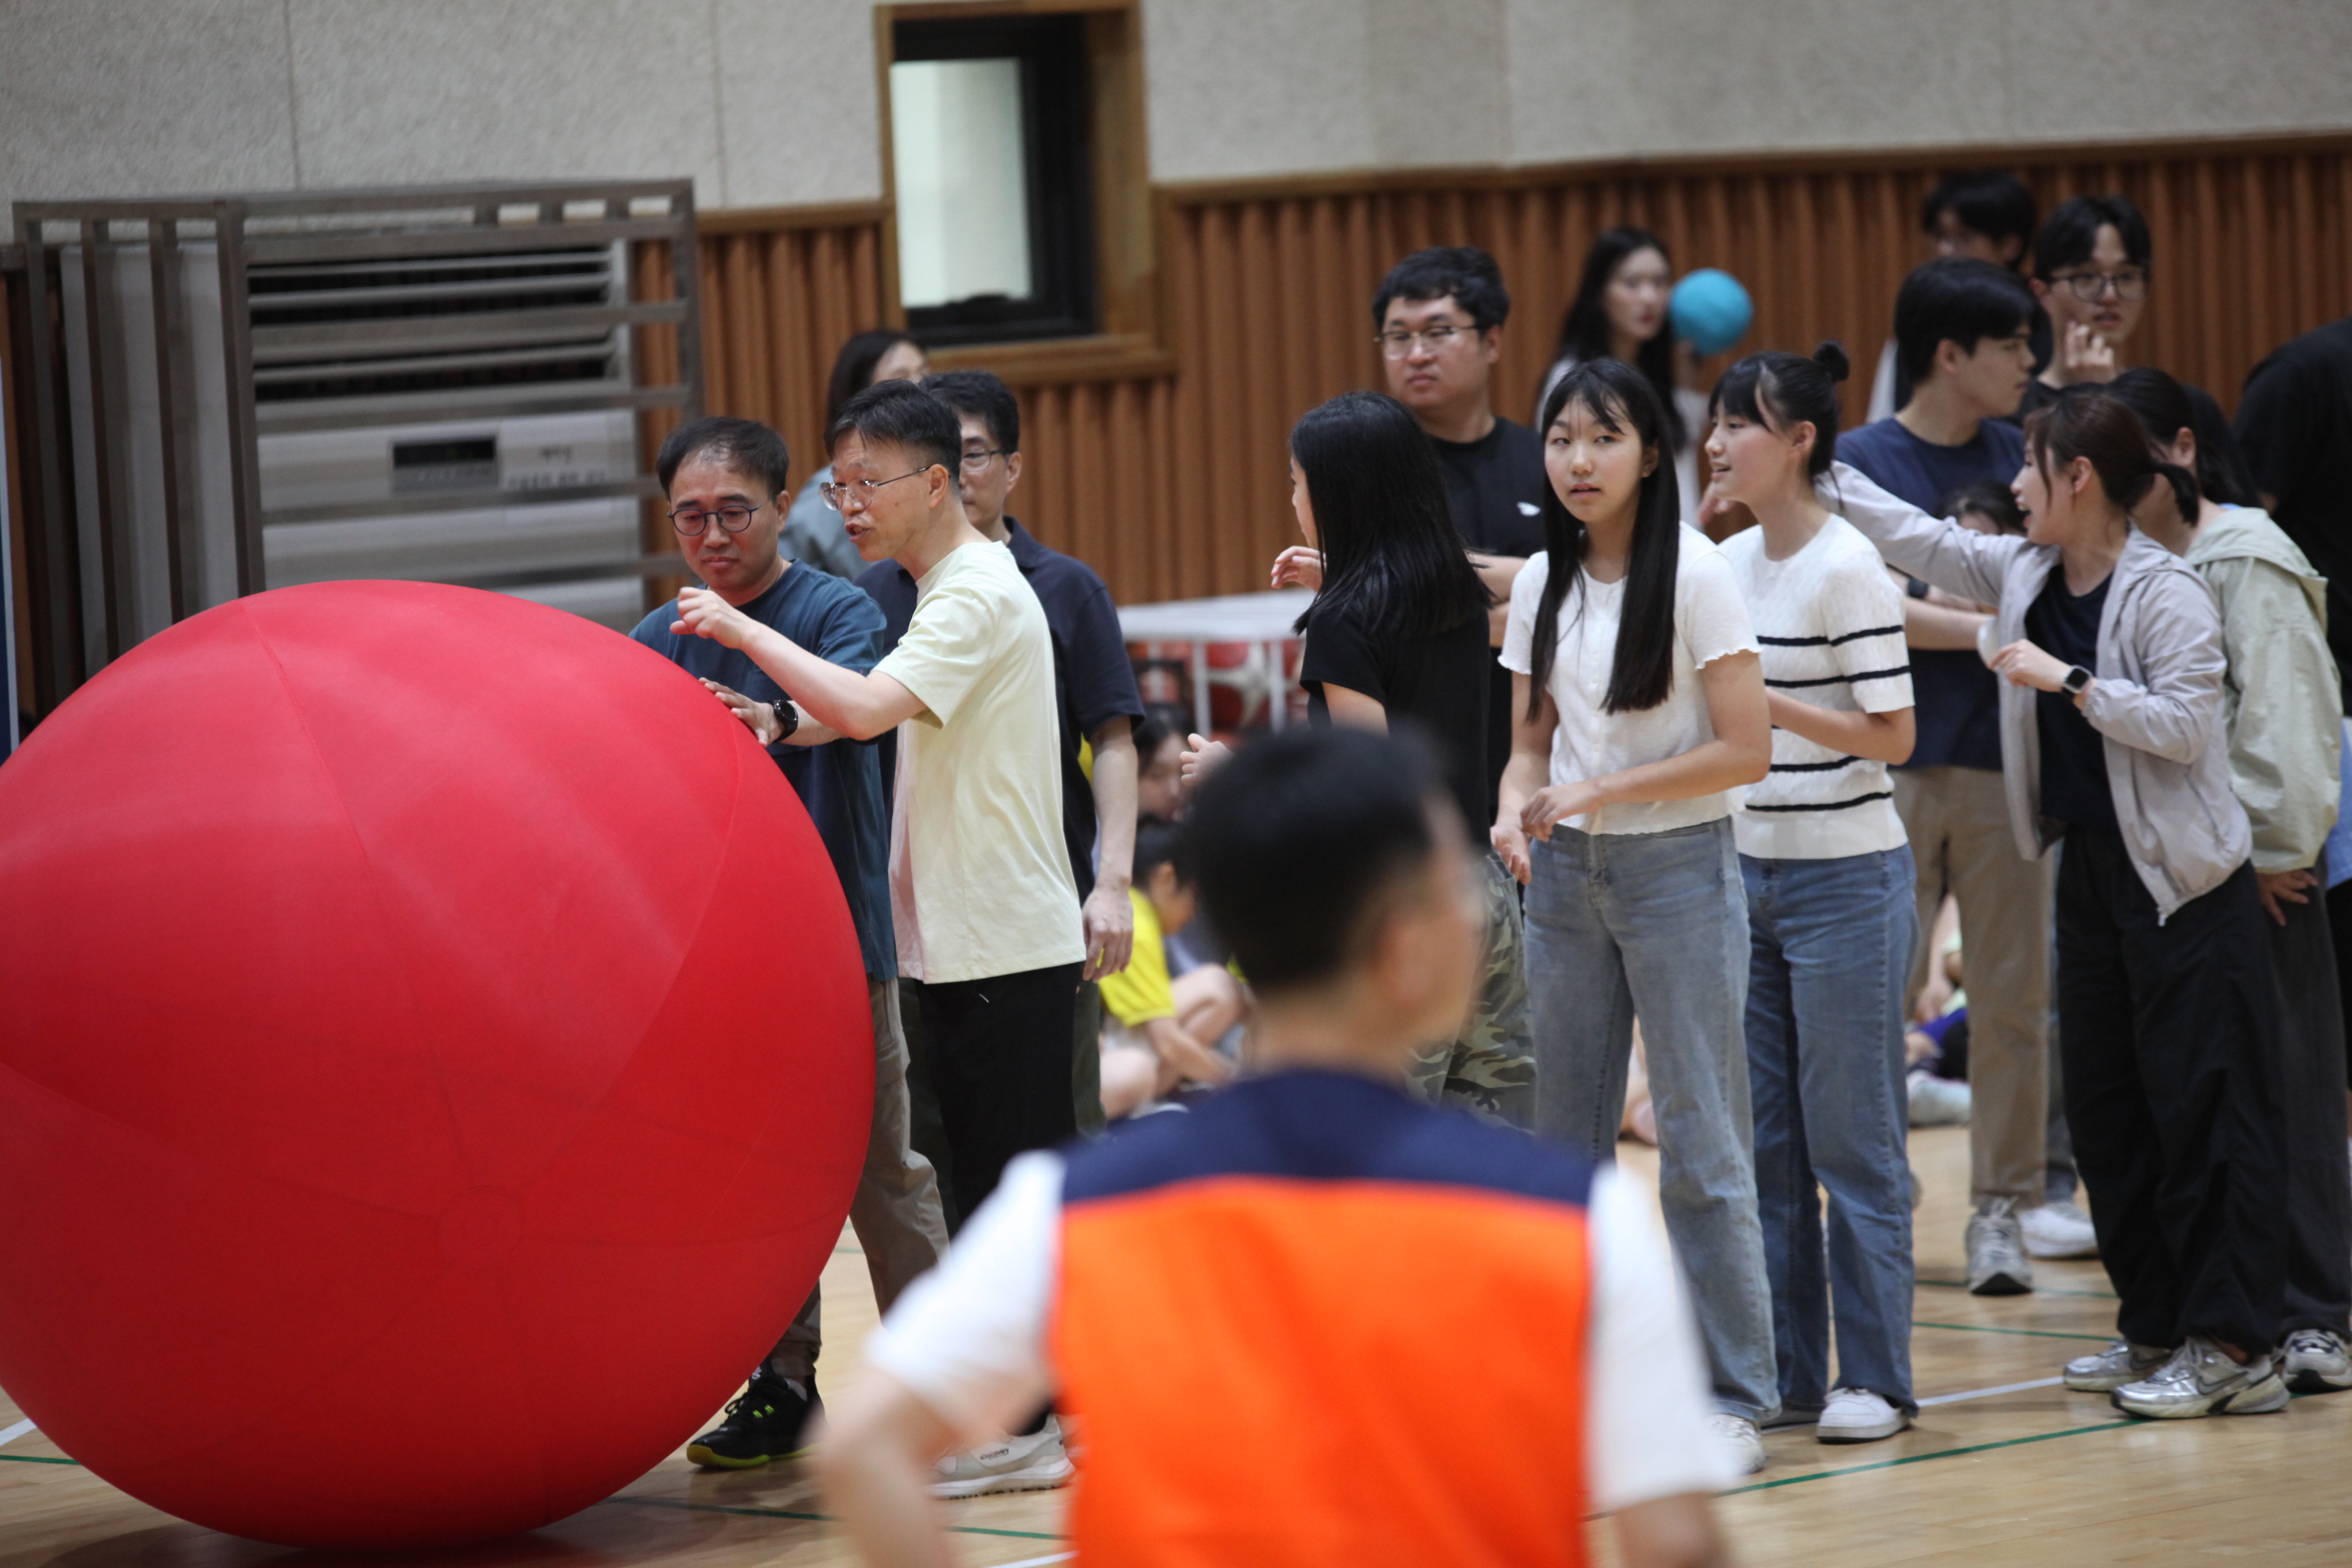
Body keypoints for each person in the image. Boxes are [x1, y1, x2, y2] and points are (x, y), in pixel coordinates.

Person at [817, 725, 1739, 1568]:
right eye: (1454, 891)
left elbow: (863, 1448)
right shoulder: (1577, 1220)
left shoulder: (1072, 1205)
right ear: (1406, 945)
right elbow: (1675, 1542)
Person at [1827, 386, 2291, 1420]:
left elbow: (2185, 726)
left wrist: (2069, 680)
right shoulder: (2028, 569)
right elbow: (1924, 540)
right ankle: (2156, 1327)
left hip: (2184, 887)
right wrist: (1821, 466)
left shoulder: (2166, 589)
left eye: (2031, 467)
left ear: (2078, 478)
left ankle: (2236, 1347)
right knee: (2111, 1117)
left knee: (2201, 1117)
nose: (2015, 482)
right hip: (2088, 871)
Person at [676, 379, 1084, 1492]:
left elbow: (862, 709)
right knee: (995, 1191)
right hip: (971, 941)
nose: (848, 504)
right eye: (838, 484)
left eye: (868, 483)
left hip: (1000, 945)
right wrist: (779, 719)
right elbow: (873, 704)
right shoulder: (948, 587)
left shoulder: (972, 593)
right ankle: (1049, 1410)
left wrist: (740, 629)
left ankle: (1023, 1431)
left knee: (1000, 1199)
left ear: (937, 482)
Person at [625, 415, 949, 1468]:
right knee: (755, 1190)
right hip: (722, 971)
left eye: (734, 512)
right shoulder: (655, 637)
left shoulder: (837, 610)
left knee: (883, 1173)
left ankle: (944, 1390)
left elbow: (852, 715)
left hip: (840, 952)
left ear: (779, 508)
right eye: (690, 517)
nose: (713, 536)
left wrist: (760, 698)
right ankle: (783, 1385)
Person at [1493, 357, 1780, 1471]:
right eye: (1562, 438)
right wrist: (1515, 809)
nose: (1579, 460)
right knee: (1562, 1144)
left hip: (1681, 869)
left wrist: (1599, 789)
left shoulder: (1699, 574)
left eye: (1604, 438)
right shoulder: (1539, 581)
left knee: (1701, 1141)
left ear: (1652, 455)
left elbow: (1745, 750)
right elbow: (1528, 748)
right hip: (1566, 880)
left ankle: (1734, 1397)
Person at [1837, 255, 2081, 1290]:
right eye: (2012, 344)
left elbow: (2057, 587)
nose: (2030, 362)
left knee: (2015, 1001)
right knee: (1870, 1002)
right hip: (1881, 769)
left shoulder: (2029, 458)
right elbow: (1868, 606)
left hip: (2002, 765)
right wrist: (1989, 626)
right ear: (1949, 354)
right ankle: (1874, 1205)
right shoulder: (1856, 461)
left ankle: (2003, 1213)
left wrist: (1977, 620)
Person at [2110, 365, 2352, 1394]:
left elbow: (2289, 720)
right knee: (2202, 1105)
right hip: (2181, 874)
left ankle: (2318, 1316)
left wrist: (2268, 853)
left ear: (2180, 451)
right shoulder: (2133, 564)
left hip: (2258, 874)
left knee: (2291, 1085)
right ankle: (2220, 1314)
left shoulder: (2247, 556)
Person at [1708, 343, 1921, 1444]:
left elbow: (1894, 735)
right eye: (1713, 423)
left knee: (1854, 1141)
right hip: (1744, 873)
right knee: (1768, 1148)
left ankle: (1876, 1378)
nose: (1714, 443)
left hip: (1848, 879)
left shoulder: (1848, 567)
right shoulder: (1725, 565)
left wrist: (1770, 708)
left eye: (1737, 424)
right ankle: (1791, 1377)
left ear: (1798, 441)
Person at [858, 370, 1146, 1173]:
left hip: (1032, 915)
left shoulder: (1063, 586)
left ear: (1011, 466)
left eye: (973, 454)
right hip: (921, 920)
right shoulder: (877, 588)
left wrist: (1112, 885)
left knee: (1056, 1137)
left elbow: (1115, 741)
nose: (957, 474)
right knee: (939, 1146)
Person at [1275, 389, 1536, 1128]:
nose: (1292, 500)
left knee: (1386, 1145)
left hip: (1404, 910)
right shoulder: (1454, 594)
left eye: (1297, 483)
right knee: (1494, 1143)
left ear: (1336, 496)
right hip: (1485, 892)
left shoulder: (1342, 620)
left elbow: (1373, 790)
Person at [1372, 245, 1547, 804]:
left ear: (1491, 341)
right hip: (1415, 765)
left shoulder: (1550, 461)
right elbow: (1384, 606)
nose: (1416, 354)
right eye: (1398, 336)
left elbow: (1590, 595)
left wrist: (1440, 593)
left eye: (1438, 332)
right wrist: (1533, 587)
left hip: (1545, 761)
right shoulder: (1368, 469)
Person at [1539, 226, 1713, 519]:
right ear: (1600, 292)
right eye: (1632, 284)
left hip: (1681, 539)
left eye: (1660, 283)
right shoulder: (1569, 379)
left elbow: (1682, 463)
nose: (1650, 297)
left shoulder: (1666, 374)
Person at [1866, 171, 2043, 421]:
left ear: (2009, 246)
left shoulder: (2045, 322)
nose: (1945, 251)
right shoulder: (1920, 320)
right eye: (1939, 237)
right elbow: (1884, 417)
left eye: (1963, 238)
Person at [1095, 815, 1240, 1118]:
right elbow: (1168, 1044)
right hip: (1094, 1062)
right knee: (1137, 1071)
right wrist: (1236, 1082)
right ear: (1166, 878)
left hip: (1105, 1040)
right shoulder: (1136, 926)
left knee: (1220, 985)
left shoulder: (1137, 912)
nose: (1195, 913)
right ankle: (1145, 1093)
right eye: (1195, 897)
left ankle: (1154, 1089)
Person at [780, 330, 929, 579]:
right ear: (861, 395)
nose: (920, 387)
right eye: (902, 378)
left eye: (925, 373)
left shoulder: (937, 469)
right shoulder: (824, 497)